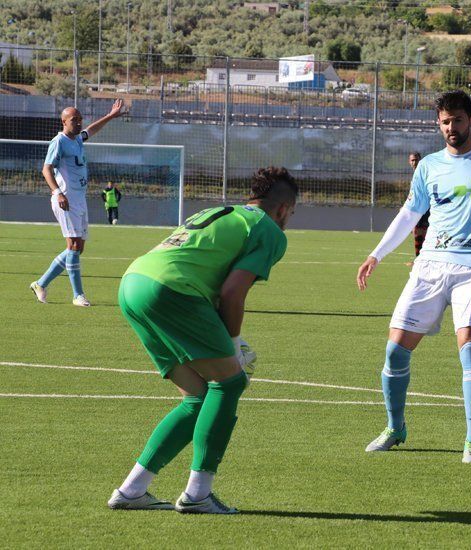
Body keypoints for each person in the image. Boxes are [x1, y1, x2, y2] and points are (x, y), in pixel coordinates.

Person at [107, 167, 297, 514]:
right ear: (283, 208)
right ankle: (198, 495)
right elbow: (232, 291)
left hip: (133, 283)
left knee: (197, 398)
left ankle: (132, 490)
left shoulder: (219, 212)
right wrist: (235, 343)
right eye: (291, 214)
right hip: (171, 290)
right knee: (229, 383)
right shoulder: (268, 229)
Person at [356, 90, 471, 464]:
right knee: (395, 350)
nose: (451, 127)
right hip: (429, 266)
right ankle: (395, 428)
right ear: (438, 123)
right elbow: (409, 215)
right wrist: (375, 255)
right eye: (445, 121)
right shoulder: (428, 166)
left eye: (458, 120)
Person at [29, 99, 125, 307]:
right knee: (72, 246)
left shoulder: (77, 140)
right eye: (74, 120)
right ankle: (78, 295)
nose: (79, 123)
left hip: (79, 199)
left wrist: (111, 115)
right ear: (64, 122)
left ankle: (40, 283)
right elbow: (46, 169)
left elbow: (92, 130)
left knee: (78, 248)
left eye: (80, 119)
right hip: (65, 199)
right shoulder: (59, 141)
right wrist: (58, 193)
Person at [407, 151, 429, 267]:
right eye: (412, 160)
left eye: (416, 160)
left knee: (422, 232)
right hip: (417, 208)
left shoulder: (423, 173)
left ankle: (422, 260)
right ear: (409, 162)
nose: (414, 162)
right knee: (417, 232)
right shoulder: (415, 174)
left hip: (424, 208)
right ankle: (419, 259)